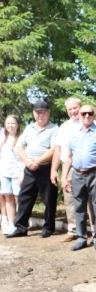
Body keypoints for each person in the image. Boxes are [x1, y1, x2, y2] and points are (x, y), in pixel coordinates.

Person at [6, 101, 59, 238]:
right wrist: (28, 161)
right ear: (33, 113)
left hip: (45, 168)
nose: (40, 115)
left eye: (43, 112)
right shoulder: (29, 128)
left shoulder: (54, 129)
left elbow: (54, 149)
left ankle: (48, 227)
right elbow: (19, 147)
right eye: (37, 112)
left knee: (49, 199)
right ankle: (21, 228)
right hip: (29, 168)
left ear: (48, 113)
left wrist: (38, 161)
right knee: (25, 198)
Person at [63, 105, 96, 251]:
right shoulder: (73, 133)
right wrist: (64, 177)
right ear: (79, 115)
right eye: (83, 113)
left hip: (95, 172)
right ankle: (81, 237)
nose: (87, 116)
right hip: (77, 173)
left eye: (90, 113)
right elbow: (69, 157)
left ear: (94, 115)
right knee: (79, 207)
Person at [50, 97, 95, 243]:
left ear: (80, 107)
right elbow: (58, 149)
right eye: (69, 109)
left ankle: (94, 230)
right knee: (69, 199)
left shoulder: (91, 123)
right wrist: (54, 170)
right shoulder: (63, 127)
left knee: (90, 200)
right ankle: (73, 229)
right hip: (69, 167)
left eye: (75, 108)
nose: (73, 111)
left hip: (88, 168)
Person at [0, 115, 23, 235]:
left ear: (17, 124)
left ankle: (20, 224)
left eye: (13, 123)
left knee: (18, 198)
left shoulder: (21, 138)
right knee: (8, 197)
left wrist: (22, 173)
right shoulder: (2, 138)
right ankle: (11, 224)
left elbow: (24, 158)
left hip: (17, 173)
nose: (10, 125)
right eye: (8, 123)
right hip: (4, 173)